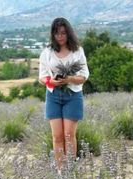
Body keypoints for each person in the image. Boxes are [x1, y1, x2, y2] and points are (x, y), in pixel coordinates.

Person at [38, 17, 90, 169]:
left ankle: (71, 170)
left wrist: (69, 79)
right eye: (56, 33)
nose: (60, 36)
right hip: (53, 95)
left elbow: (84, 76)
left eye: (63, 33)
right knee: (57, 136)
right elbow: (42, 77)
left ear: (68, 33)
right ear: (52, 34)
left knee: (69, 135)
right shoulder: (47, 52)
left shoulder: (77, 51)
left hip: (72, 95)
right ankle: (61, 171)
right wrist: (50, 82)